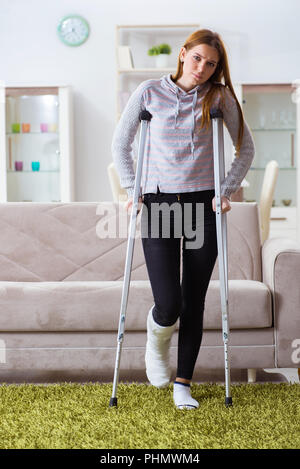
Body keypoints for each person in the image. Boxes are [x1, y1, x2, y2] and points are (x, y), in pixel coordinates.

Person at [111, 29, 255, 409]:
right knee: (170, 302)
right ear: (182, 55)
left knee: (194, 300)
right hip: (158, 203)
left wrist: (225, 190)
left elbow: (245, 149)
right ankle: (157, 341)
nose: (203, 68)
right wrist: (132, 188)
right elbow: (120, 144)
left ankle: (182, 384)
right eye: (197, 59)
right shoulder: (148, 93)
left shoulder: (219, 97)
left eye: (211, 64)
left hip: (202, 206)